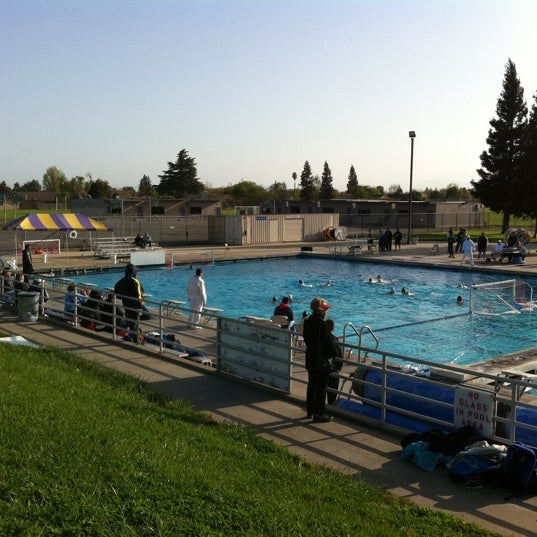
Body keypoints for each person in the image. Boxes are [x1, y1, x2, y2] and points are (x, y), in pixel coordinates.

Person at [302, 297, 333, 423]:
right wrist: (333, 353)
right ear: (321, 309)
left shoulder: (308, 321)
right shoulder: (322, 323)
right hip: (320, 360)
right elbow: (327, 343)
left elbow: (307, 339)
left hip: (310, 357)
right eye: (326, 309)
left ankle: (310, 411)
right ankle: (319, 413)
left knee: (311, 385)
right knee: (321, 388)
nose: (327, 311)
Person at [114, 263, 151, 338]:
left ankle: (130, 325)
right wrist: (142, 302)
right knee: (147, 315)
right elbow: (139, 294)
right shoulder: (135, 281)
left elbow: (116, 289)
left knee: (133, 325)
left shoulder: (121, 281)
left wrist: (121, 296)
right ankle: (133, 336)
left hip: (126, 304)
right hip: (136, 305)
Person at [325, 319, 344, 405]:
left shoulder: (319, 338)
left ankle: (317, 411)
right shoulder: (335, 340)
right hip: (332, 369)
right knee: (332, 393)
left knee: (320, 391)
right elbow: (340, 357)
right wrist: (337, 369)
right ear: (333, 328)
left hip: (321, 368)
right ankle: (330, 410)